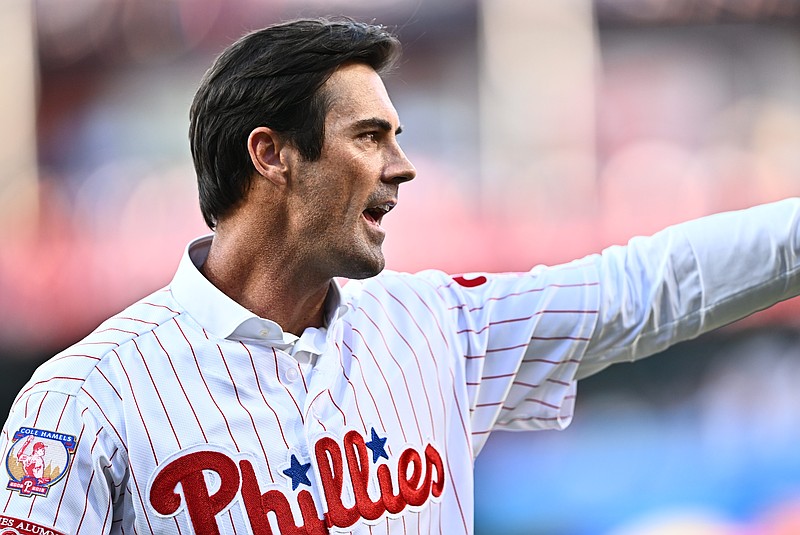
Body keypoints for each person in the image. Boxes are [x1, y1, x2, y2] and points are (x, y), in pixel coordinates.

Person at [0, 16, 798, 535]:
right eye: (370, 137)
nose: (403, 167)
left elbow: (646, 287)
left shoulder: (440, 328)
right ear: (271, 154)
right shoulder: (84, 399)